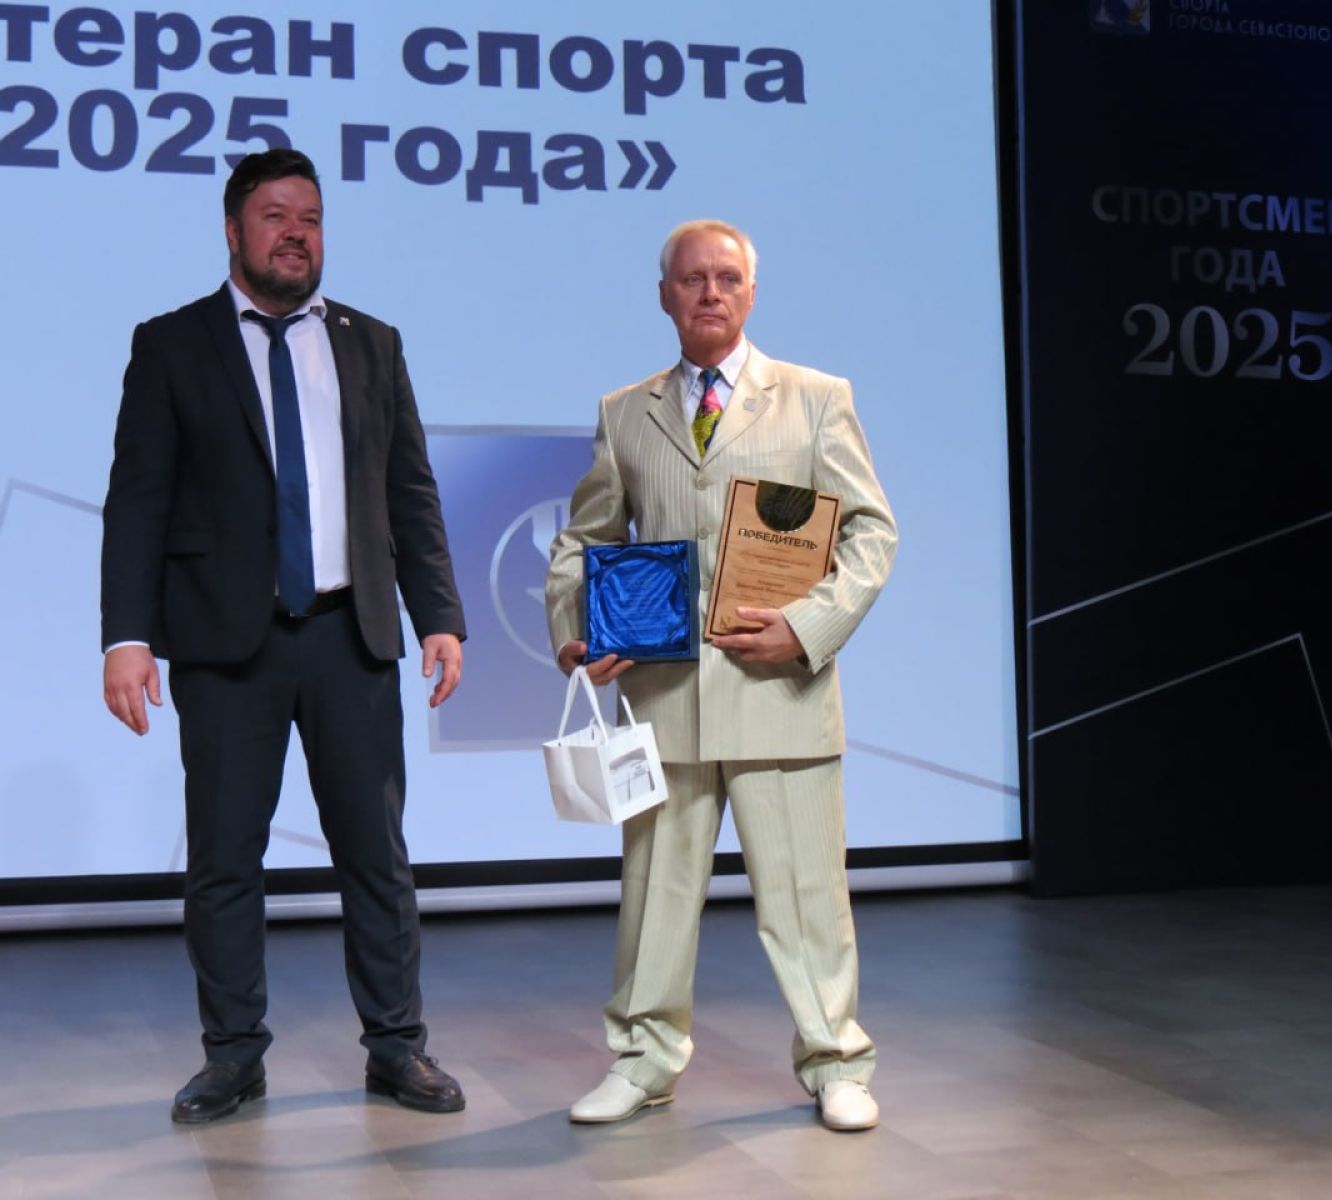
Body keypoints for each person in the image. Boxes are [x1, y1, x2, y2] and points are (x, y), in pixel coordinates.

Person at [100, 149, 468, 1124]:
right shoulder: (171, 345)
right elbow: (137, 502)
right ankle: (232, 1057)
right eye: (274, 215)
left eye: (310, 217)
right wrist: (125, 638)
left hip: (351, 635)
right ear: (233, 231)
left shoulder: (372, 343)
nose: (295, 233)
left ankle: (397, 1047)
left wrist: (439, 616)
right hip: (228, 645)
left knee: (376, 857)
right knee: (225, 861)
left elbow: (410, 491)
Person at [545, 219, 897, 1132]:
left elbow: (870, 532)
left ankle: (836, 1062)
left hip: (780, 692)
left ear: (752, 293)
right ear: (665, 295)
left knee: (807, 899)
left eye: (728, 278)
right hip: (664, 700)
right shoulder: (626, 412)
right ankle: (643, 1060)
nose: (711, 292)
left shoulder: (815, 398)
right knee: (653, 900)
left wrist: (807, 627)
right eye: (693, 278)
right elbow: (585, 540)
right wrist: (579, 632)